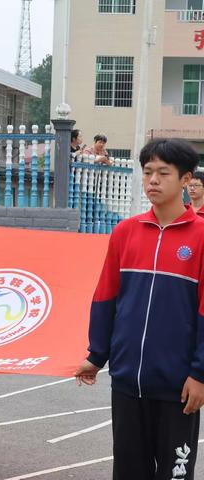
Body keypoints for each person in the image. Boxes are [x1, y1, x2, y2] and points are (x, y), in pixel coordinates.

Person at [75, 138, 204, 479]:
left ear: (186, 179)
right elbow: (106, 296)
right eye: (148, 172)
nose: (153, 181)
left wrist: (200, 374)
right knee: (130, 471)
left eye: (163, 173)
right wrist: (96, 354)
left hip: (179, 385)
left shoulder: (201, 238)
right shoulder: (125, 233)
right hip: (128, 381)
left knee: (175, 475)